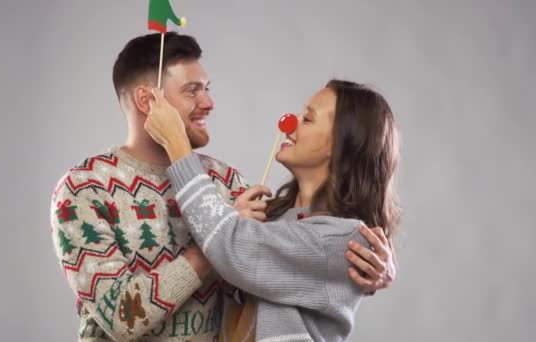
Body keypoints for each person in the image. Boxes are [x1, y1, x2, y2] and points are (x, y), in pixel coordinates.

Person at [50, 32, 395, 341]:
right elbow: (122, 320)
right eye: (192, 91)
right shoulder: (84, 190)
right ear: (147, 102)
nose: (209, 103)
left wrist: (376, 266)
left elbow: (298, 252)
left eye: (208, 89)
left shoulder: (225, 183)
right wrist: (212, 246)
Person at [144, 78, 401, 341]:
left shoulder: (344, 240)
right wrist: (234, 218)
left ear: (341, 144)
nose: (291, 122)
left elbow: (232, 246)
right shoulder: (275, 218)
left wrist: (177, 144)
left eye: (308, 119)